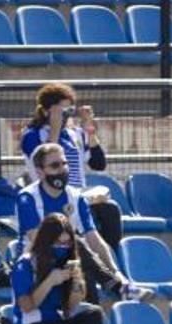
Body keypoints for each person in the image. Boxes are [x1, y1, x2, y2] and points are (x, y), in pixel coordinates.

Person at [18, 143, 149, 304]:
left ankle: (111, 290)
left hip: (68, 261)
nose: (62, 169)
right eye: (55, 166)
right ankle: (117, 287)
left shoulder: (75, 196)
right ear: (40, 172)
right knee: (76, 243)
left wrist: (116, 271)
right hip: (35, 262)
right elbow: (37, 239)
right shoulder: (27, 198)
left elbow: (94, 238)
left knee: (84, 273)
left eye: (64, 163)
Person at [20, 83, 123, 251]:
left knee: (109, 209)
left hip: (76, 194)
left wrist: (89, 129)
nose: (66, 116)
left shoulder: (74, 134)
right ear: (47, 111)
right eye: (62, 111)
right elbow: (44, 158)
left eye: (69, 111)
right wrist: (54, 128)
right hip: (48, 194)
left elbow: (99, 164)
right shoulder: (33, 135)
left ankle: (110, 261)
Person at [11, 213, 109, 324]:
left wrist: (76, 282)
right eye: (58, 243)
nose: (62, 248)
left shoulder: (63, 262)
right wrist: (50, 281)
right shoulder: (25, 264)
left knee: (93, 313)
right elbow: (27, 306)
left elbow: (70, 307)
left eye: (67, 244)